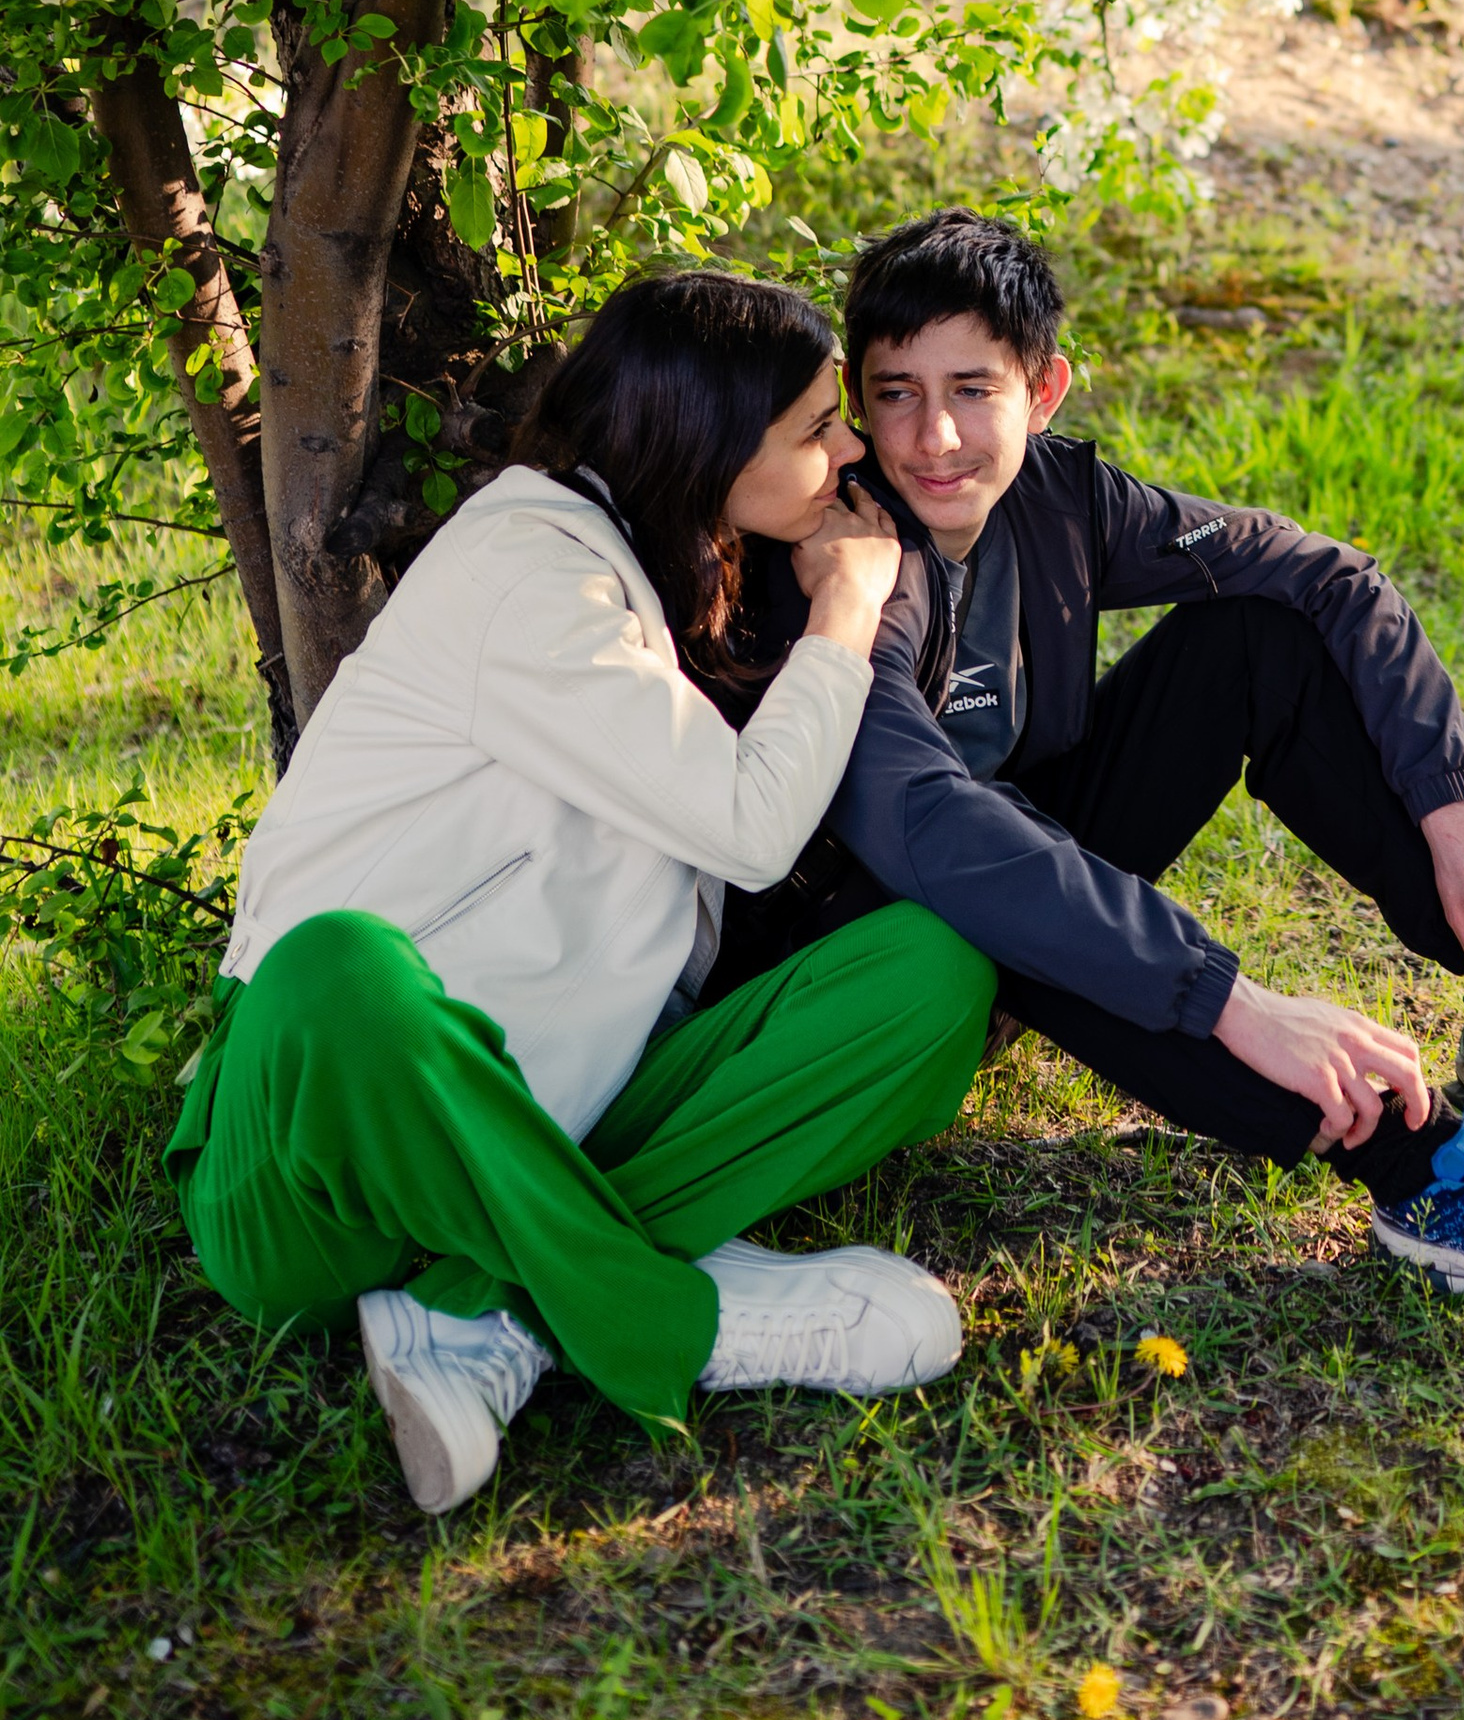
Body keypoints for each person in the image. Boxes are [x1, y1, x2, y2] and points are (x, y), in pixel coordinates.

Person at [709, 209, 1464, 1340]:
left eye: (972, 388)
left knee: (1251, 641)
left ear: (1046, 389)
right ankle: (1421, 1164)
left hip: (999, 891)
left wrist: (1451, 804)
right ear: (857, 398)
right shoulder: (840, 563)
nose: (933, 436)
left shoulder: (1060, 503)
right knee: (1009, 874)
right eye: (892, 392)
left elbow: (1330, 577)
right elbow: (931, 827)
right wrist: (1229, 998)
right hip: (863, 971)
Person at [166, 274, 995, 1515]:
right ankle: (681, 1316)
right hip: (319, 1162)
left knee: (931, 975)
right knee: (339, 967)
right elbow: (750, 824)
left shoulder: (658, 569)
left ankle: (484, 1311)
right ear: (709, 447)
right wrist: (846, 610)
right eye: (815, 426)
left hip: (557, 1118)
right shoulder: (531, 572)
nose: (848, 449)